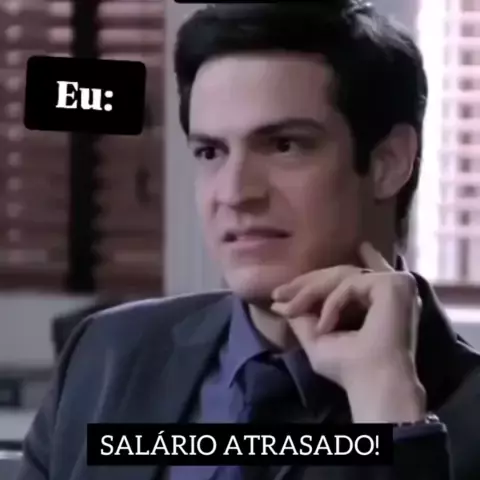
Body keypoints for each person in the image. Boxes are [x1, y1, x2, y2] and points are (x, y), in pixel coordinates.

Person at [18, 1, 480, 479]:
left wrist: (388, 406)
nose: (235, 193)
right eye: (211, 151)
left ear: (389, 163)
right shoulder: (105, 353)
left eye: (284, 145)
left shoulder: (462, 411)